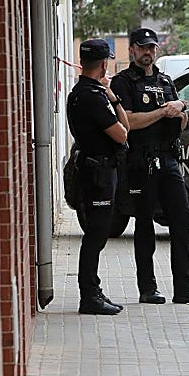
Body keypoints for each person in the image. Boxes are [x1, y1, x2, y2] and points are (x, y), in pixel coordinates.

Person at [111, 27, 189, 305]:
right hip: (140, 161)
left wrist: (178, 111)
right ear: (132, 50)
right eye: (143, 48)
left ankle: (184, 287)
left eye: (152, 48)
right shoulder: (123, 82)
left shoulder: (166, 80)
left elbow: (182, 120)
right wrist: (161, 112)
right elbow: (128, 121)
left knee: (182, 220)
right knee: (144, 225)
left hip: (168, 159)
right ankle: (148, 288)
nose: (148, 52)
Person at [67, 38, 129, 315]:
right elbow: (122, 132)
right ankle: (89, 295)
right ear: (104, 64)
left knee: (97, 234)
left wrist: (111, 97)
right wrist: (112, 97)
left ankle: (93, 291)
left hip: (93, 170)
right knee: (96, 235)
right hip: (98, 173)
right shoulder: (92, 96)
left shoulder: (78, 92)